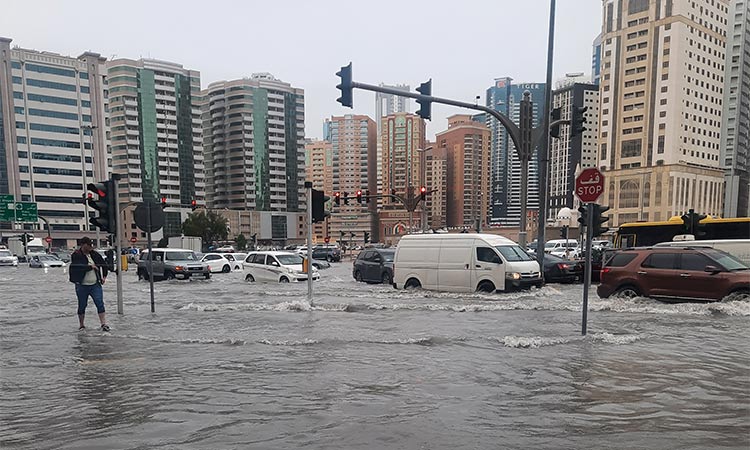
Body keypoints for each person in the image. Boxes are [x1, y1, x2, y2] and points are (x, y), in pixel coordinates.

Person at [69, 237, 109, 331]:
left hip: (95, 284)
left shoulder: (94, 254)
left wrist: (104, 277)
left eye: (91, 245)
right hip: (81, 285)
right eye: (88, 245)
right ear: (83, 245)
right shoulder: (76, 255)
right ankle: (81, 325)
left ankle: (103, 324)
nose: (91, 247)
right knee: (82, 305)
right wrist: (90, 267)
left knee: (99, 303)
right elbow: (77, 267)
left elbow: (103, 265)